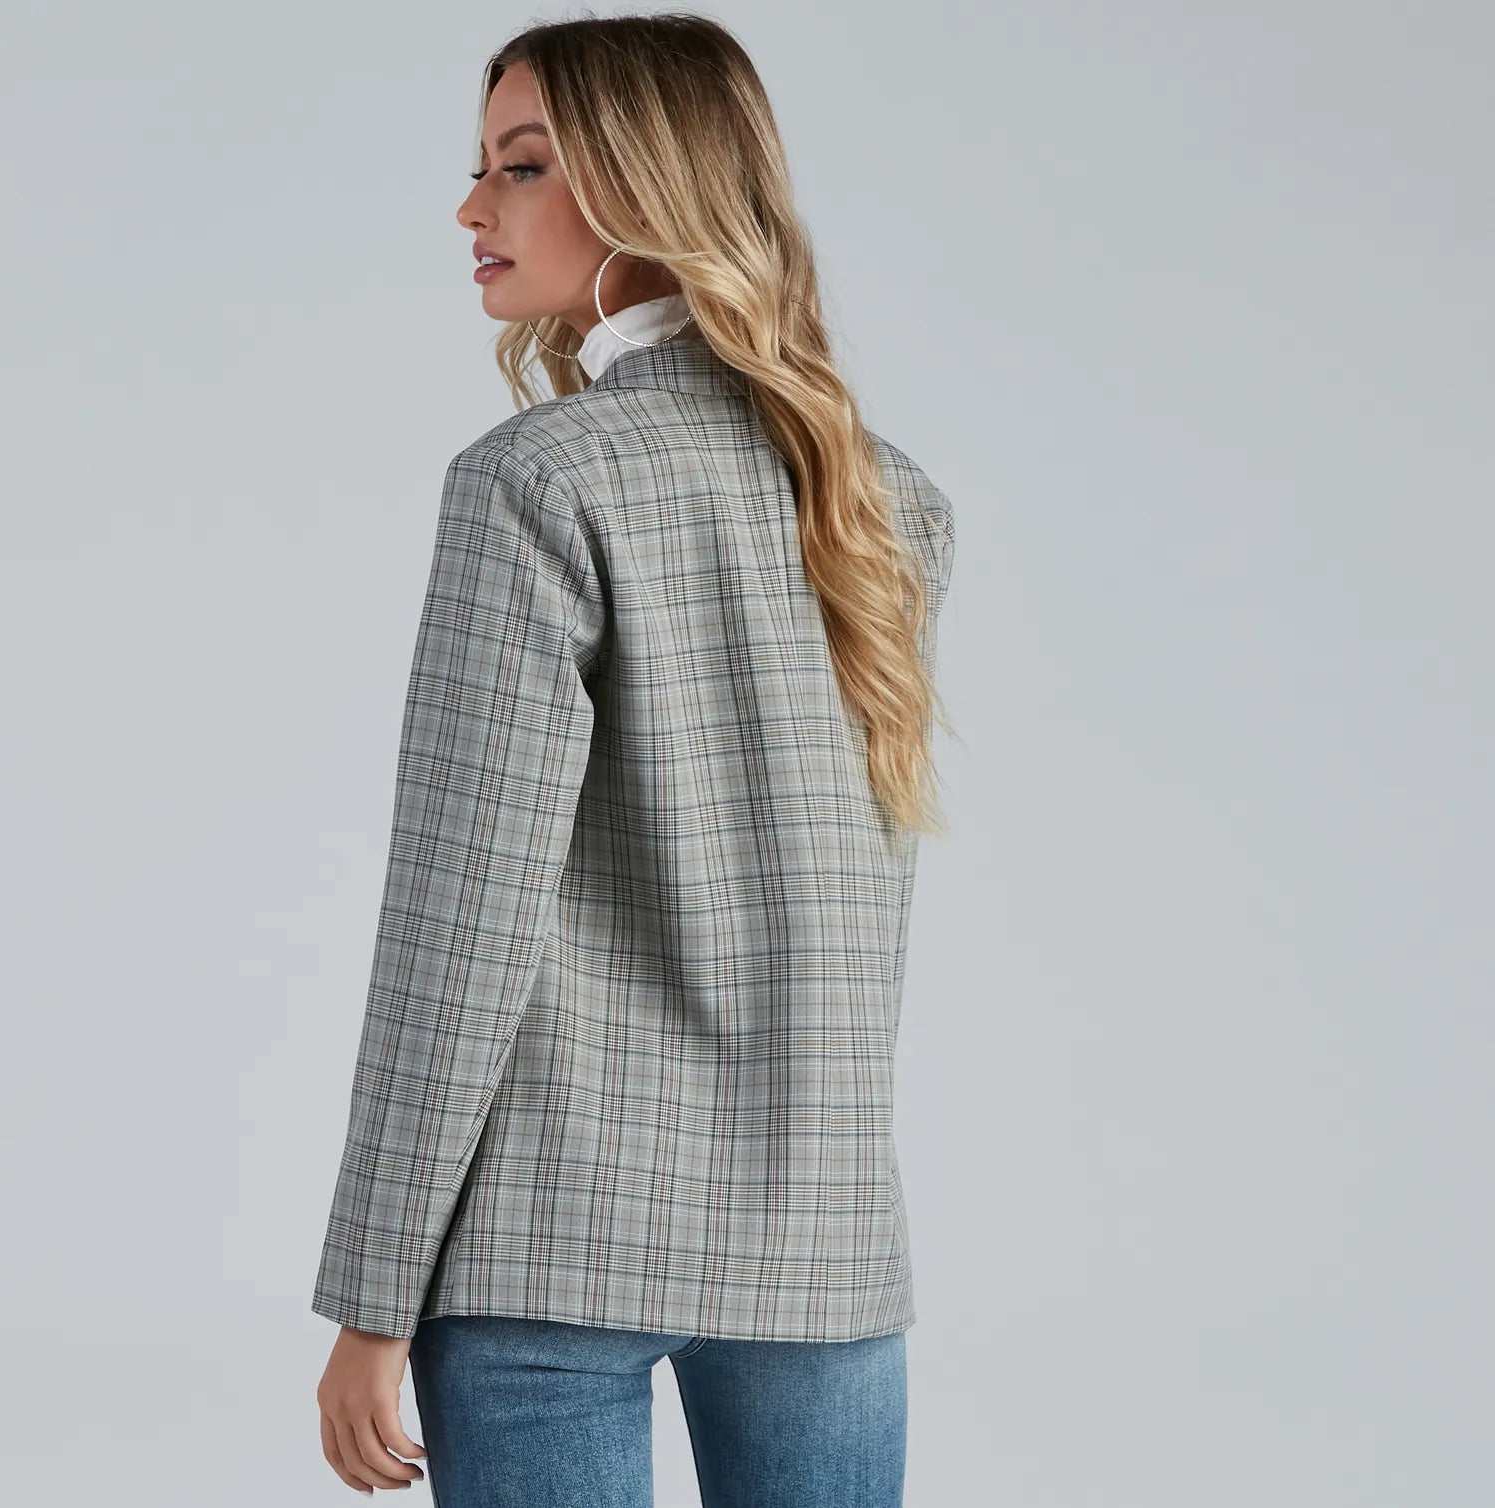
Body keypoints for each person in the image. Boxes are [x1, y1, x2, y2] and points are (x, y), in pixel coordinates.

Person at [311, 14, 957, 1504]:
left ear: (648, 184)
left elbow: (460, 917)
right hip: (824, 1239)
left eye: (520, 166)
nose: (471, 207)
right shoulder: (886, 502)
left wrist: (370, 1295)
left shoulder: (534, 480)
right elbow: (863, 916)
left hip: (551, 1239)